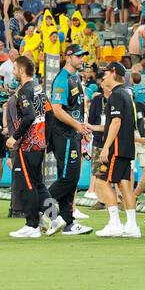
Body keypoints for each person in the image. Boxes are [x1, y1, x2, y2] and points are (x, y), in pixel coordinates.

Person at [46, 46, 94, 235]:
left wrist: (82, 128)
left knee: (69, 180)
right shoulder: (62, 79)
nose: (81, 59)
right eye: (78, 56)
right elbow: (57, 110)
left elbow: (76, 109)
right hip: (64, 135)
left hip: (72, 134)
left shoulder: (75, 78)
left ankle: (68, 223)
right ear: (68, 57)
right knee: (69, 178)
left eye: (83, 56)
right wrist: (78, 126)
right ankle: (41, 205)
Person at [94, 63, 142, 237]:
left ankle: (115, 223)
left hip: (116, 148)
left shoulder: (116, 95)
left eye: (105, 72)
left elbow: (116, 122)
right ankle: (132, 226)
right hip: (126, 147)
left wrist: (106, 147)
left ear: (113, 72)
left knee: (101, 182)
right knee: (124, 184)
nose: (102, 76)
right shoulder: (125, 94)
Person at [6, 56, 50, 238]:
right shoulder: (38, 88)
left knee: (27, 184)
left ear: (22, 70)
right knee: (38, 183)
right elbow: (47, 112)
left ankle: (32, 225)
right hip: (39, 141)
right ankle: (54, 218)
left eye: (15, 68)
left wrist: (14, 137)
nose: (13, 71)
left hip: (29, 144)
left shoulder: (25, 90)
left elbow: (29, 116)